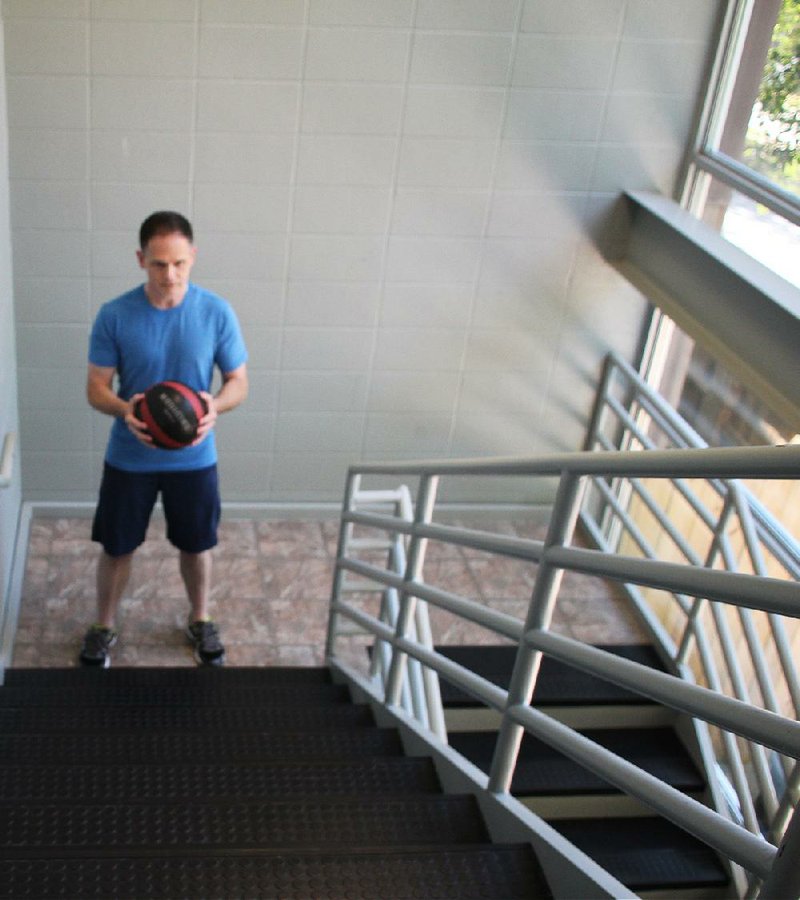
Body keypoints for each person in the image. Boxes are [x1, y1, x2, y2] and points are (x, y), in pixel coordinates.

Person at [79, 211, 249, 668]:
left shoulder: (216, 312)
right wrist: (124, 409)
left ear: (193, 257)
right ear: (141, 260)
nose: (169, 275)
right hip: (129, 457)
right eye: (158, 264)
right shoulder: (114, 314)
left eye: (178, 263)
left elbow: (238, 382)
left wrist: (215, 405)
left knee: (197, 545)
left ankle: (200, 618)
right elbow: (96, 387)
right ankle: (104, 625)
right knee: (117, 547)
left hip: (194, 459)